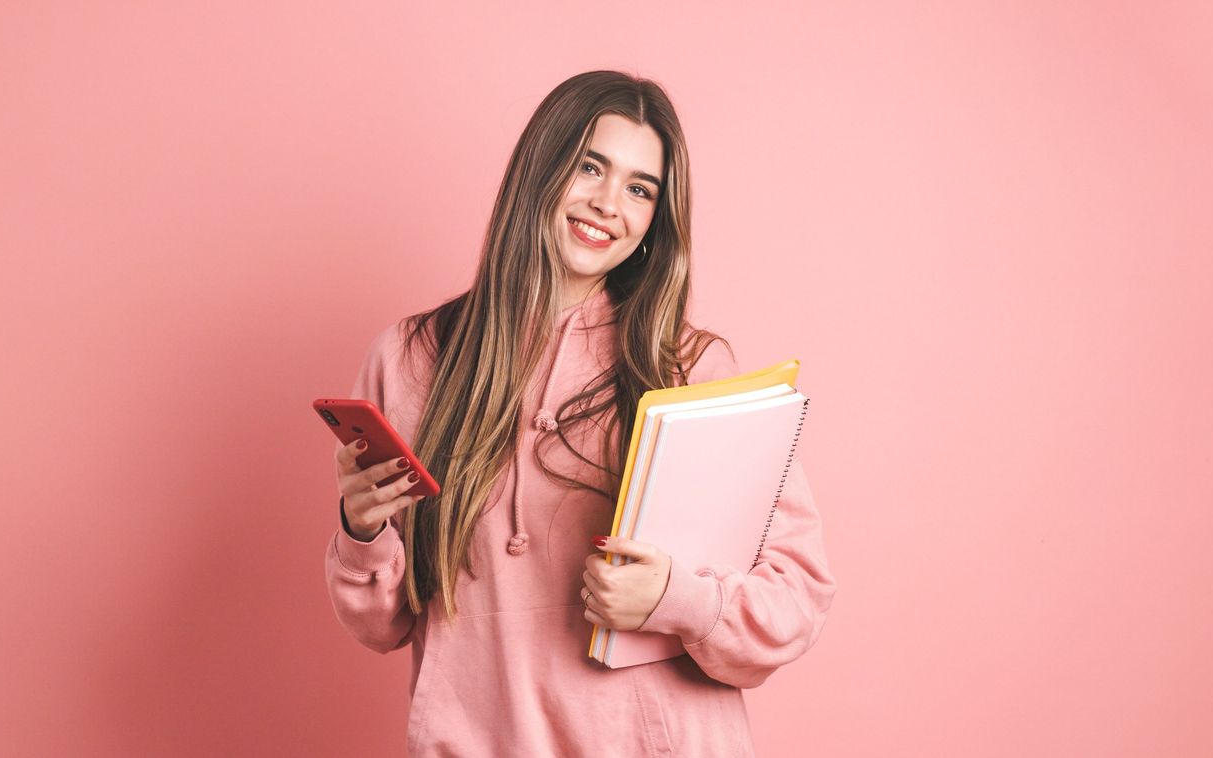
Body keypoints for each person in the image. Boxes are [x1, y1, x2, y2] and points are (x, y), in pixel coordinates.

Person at [325, 69, 836, 757]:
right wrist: (361, 528)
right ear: (541, 167)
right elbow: (379, 624)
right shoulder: (411, 358)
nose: (606, 204)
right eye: (589, 166)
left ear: (656, 219)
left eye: (639, 188)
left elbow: (794, 599)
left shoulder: (689, 370)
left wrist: (675, 600)